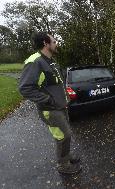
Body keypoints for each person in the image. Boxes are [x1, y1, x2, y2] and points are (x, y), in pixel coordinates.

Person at [18, 32, 81, 174]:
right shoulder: (35, 62)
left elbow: (55, 84)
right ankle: (63, 165)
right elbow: (25, 88)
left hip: (60, 106)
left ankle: (66, 155)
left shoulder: (50, 60)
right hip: (50, 109)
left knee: (66, 135)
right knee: (63, 135)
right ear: (46, 44)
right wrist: (48, 100)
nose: (56, 43)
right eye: (53, 41)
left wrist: (65, 98)